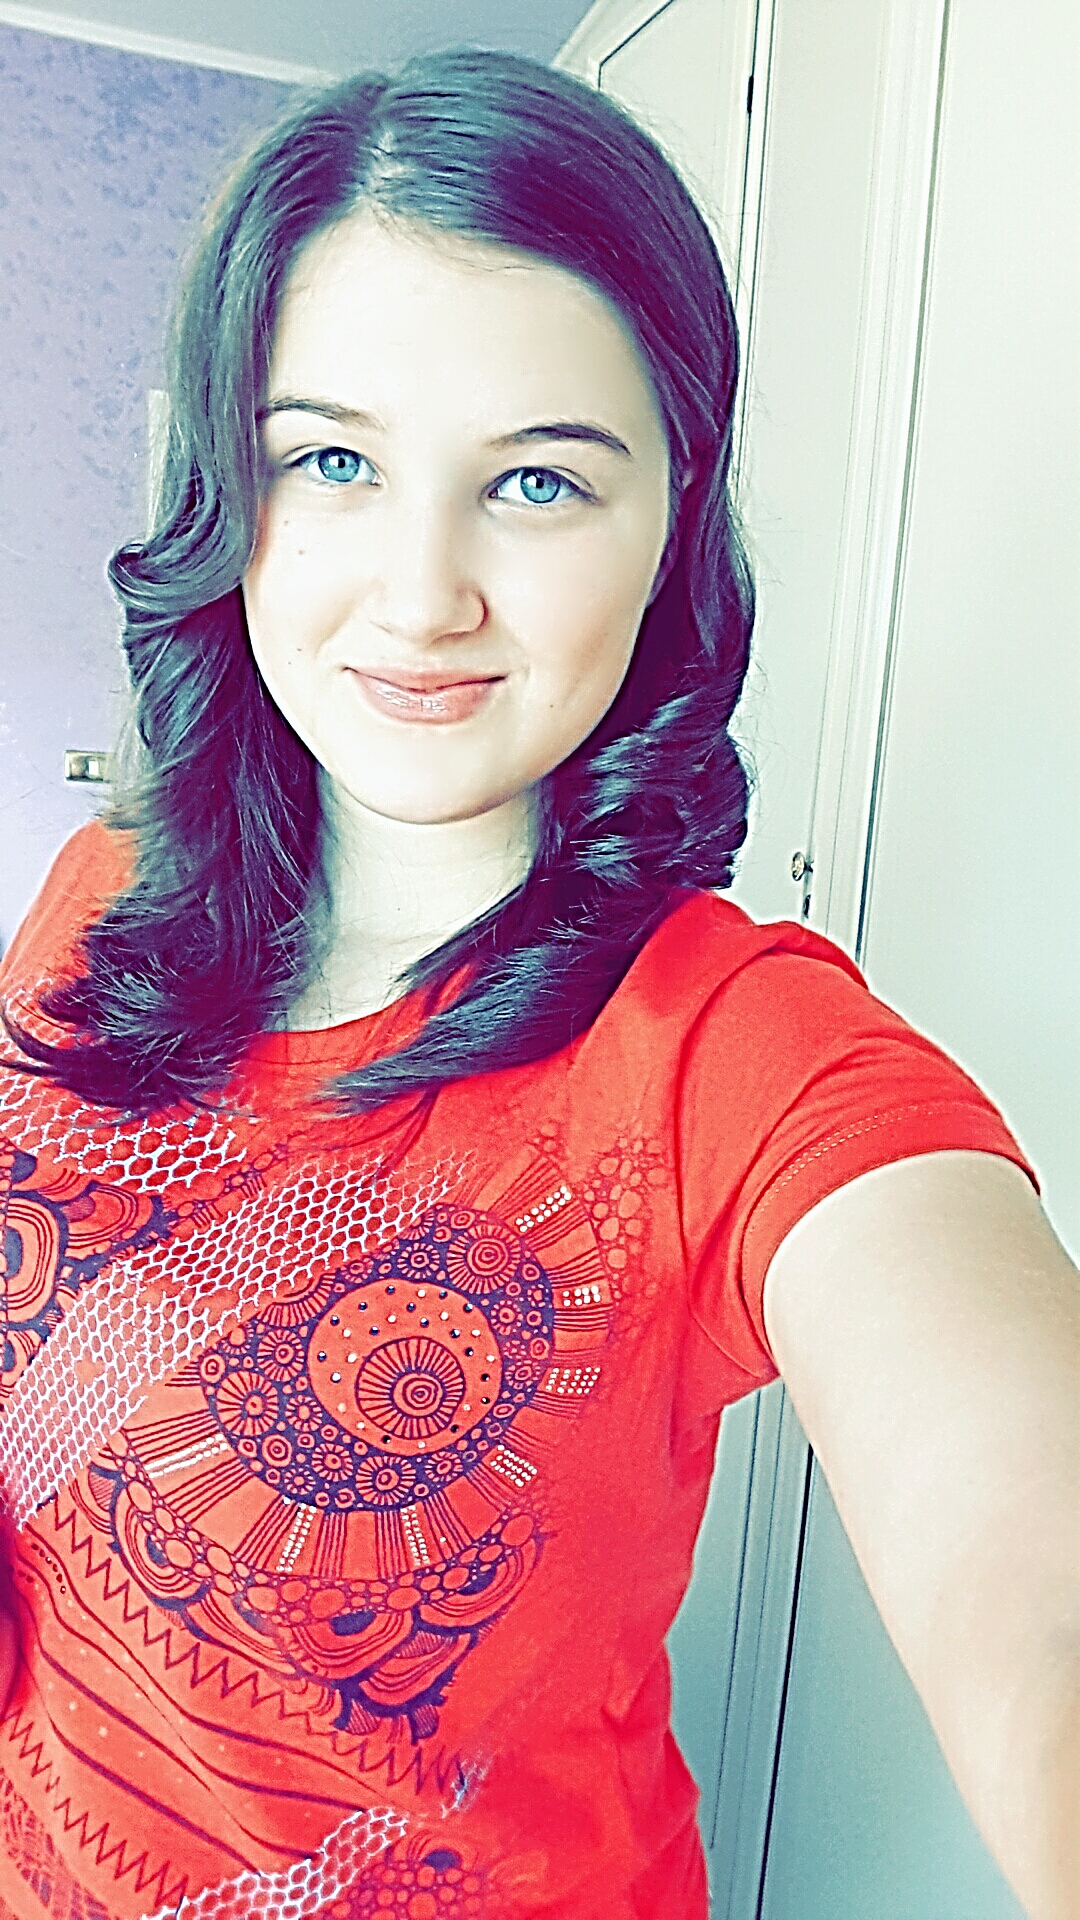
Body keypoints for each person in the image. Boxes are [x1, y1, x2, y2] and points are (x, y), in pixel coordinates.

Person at [0, 48, 1074, 1920]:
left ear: (671, 519)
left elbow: (1033, 1582)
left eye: (539, 482)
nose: (422, 596)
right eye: (334, 461)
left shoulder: (746, 1062)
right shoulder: (103, 895)